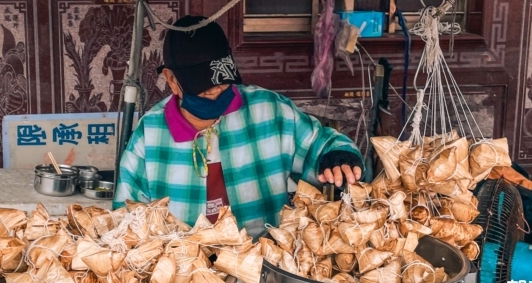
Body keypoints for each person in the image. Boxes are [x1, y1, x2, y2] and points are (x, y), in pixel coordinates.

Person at [114, 16, 364, 237]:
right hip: (181, 274)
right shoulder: (151, 133)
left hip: (262, 262)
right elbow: (127, 214)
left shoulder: (269, 111)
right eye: (204, 89)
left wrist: (338, 155)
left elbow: (322, 144)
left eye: (222, 86)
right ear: (171, 79)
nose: (215, 94)